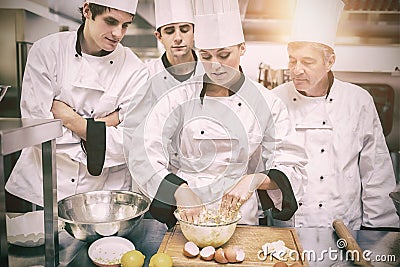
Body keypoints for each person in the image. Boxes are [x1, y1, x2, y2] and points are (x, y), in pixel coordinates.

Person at [125, 0, 307, 228]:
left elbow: (292, 164)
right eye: (206, 56)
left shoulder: (267, 103)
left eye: (224, 55)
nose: (215, 66)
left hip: (242, 219)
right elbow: (143, 152)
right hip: (187, 217)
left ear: (242, 47)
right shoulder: (179, 96)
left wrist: (253, 180)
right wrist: (179, 190)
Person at [6, 0, 149, 206]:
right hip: (44, 186)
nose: (118, 33)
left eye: (125, 25)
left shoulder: (135, 69)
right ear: (87, 10)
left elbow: (131, 143)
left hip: (104, 193)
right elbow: (36, 130)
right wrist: (106, 125)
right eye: (111, 21)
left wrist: (72, 121)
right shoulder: (47, 51)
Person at [273, 0, 399, 229]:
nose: (296, 70)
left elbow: (375, 173)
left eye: (307, 61)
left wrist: (379, 233)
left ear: (330, 61)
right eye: (292, 60)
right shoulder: (274, 100)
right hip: (288, 230)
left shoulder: (358, 101)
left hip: (345, 229)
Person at [145, 0, 204, 100]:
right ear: (159, 37)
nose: (178, 38)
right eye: (169, 31)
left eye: (184, 30)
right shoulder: (147, 75)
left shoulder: (210, 69)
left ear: (194, 32)